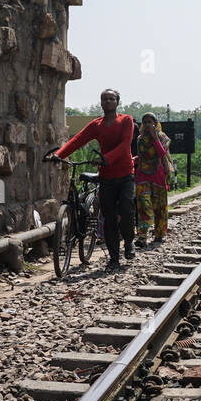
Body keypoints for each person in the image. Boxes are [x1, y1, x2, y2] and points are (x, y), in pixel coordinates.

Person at [44, 88, 138, 270]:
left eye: (112, 98)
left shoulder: (126, 120)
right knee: (109, 218)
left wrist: (106, 158)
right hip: (107, 178)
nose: (108, 101)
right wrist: (59, 154)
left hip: (126, 175)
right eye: (105, 99)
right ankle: (114, 258)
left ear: (117, 102)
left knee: (126, 210)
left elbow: (125, 144)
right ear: (101, 103)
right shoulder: (97, 125)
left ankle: (128, 242)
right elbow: (78, 139)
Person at [133, 112, 173, 247]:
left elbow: (162, 153)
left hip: (158, 174)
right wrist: (134, 159)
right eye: (145, 122)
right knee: (143, 204)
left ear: (156, 124)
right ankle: (142, 236)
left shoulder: (164, 138)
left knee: (159, 207)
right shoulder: (140, 139)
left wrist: (155, 138)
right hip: (142, 174)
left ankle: (159, 234)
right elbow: (143, 155)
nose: (148, 125)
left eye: (150, 122)